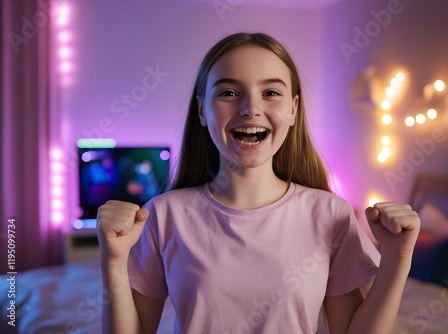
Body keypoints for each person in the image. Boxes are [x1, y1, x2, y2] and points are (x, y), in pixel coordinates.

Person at [97, 32, 420, 334]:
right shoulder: (164, 215)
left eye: (271, 93)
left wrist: (397, 259)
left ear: (293, 109)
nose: (250, 108)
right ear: (202, 111)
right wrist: (113, 262)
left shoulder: (330, 214)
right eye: (228, 93)